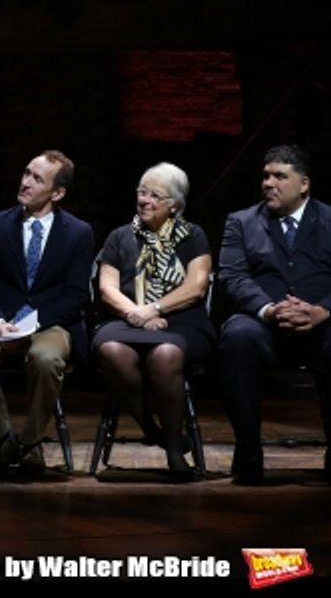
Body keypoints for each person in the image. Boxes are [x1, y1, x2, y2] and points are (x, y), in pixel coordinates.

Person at [0, 151, 94, 477]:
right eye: (26, 173)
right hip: (1, 321)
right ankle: (4, 439)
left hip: (50, 323)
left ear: (58, 193)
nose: (25, 183)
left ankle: (31, 443)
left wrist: (32, 324)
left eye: (37, 178)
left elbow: (76, 296)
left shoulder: (78, 233)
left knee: (46, 359)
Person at [92, 163, 214, 481]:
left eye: (155, 195)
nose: (145, 200)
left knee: (165, 355)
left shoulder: (194, 236)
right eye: (141, 192)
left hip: (182, 321)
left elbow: (196, 286)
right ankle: (155, 431)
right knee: (111, 351)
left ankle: (175, 449)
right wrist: (137, 313)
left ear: (174, 203)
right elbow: (107, 287)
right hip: (127, 317)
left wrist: (155, 309)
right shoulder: (120, 236)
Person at [219, 144, 331, 485]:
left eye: (280, 176)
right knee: (237, 337)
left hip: (322, 321)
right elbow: (232, 276)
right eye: (266, 176)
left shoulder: (329, 219)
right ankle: (249, 451)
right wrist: (269, 309)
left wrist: (322, 311)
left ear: (304, 184)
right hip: (263, 321)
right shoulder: (241, 222)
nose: (269, 183)